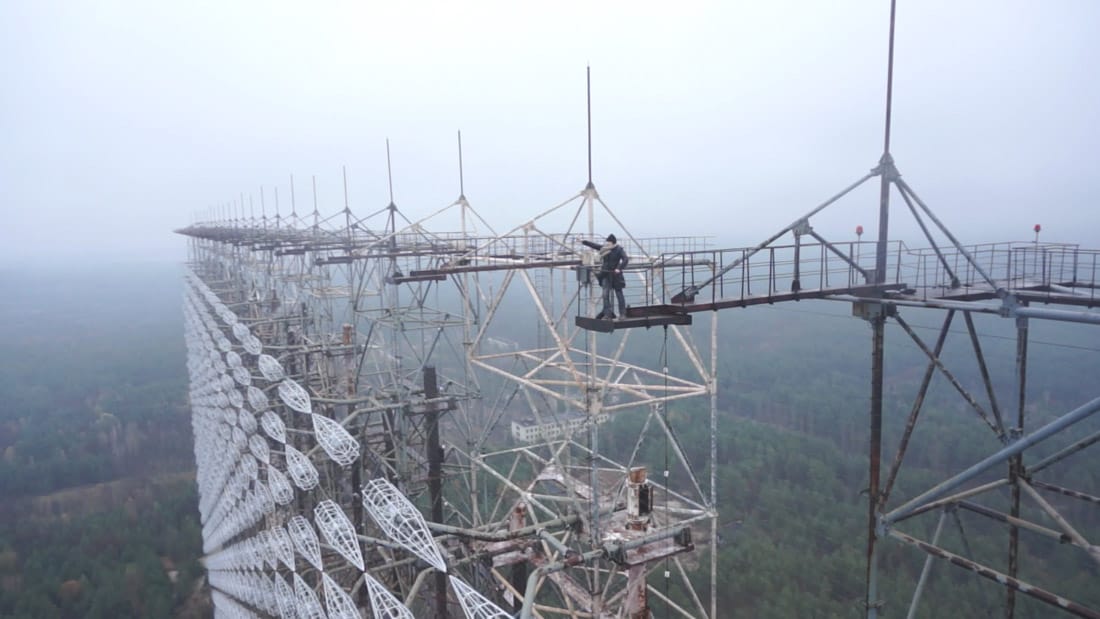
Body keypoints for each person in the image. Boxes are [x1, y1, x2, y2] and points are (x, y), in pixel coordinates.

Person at [581, 234, 629, 319]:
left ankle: (622, 314)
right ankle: (607, 314)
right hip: (606, 274)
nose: (607, 245)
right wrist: (584, 242)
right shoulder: (605, 248)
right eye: (606, 243)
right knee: (605, 294)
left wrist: (619, 268)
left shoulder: (619, 249)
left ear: (613, 243)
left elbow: (625, 259)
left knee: (619, 294)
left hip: (616, 275)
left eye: (608, 243)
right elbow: (595, 245)